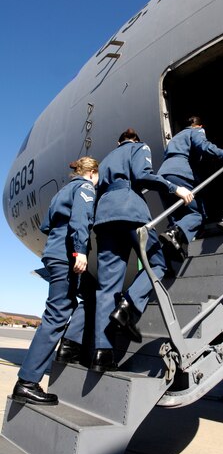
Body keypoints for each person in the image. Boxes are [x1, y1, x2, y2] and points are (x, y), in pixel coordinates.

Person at [91, 128, 193, 372]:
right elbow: (143, 175)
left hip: (104, 218)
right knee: (157, 263)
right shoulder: (140, 148)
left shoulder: (105, 161)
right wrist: (173, 188)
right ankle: (128, 306)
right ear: (134, 140)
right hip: (130, 211)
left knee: (106, 287)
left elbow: (97, 191)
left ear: (118, 141)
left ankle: (101, 354)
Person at [12, 156, 99, 406]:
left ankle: (69, 344)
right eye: (97, 175)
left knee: (88, 295)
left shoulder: (62, 192)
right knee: (57, 313)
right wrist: (80, 250)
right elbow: (81, 221)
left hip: (54, 252)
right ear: (92, 172)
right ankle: (27, 382)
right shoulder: (85, 188)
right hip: (67, 254)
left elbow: (47, 225)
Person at [157, 116, 223, 261]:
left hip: (163, 178)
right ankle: (175, 234)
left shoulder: (176, 138)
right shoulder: (196, 131)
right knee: (198, 215)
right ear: (199, 126)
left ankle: (170, 249)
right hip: (180, 173)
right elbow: (203, 145)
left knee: (177, 216)